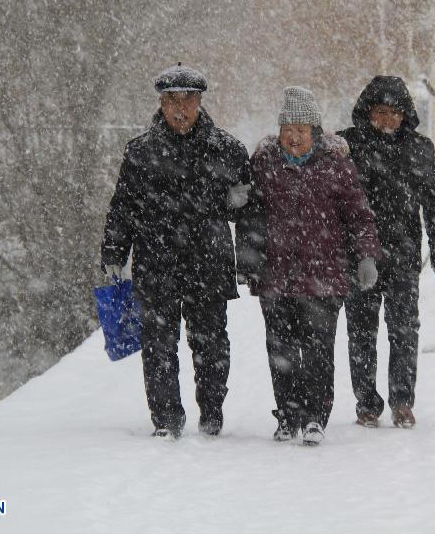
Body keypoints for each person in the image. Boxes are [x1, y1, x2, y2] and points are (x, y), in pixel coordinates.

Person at [100, 65, 251, 440]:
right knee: (158, 346)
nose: (179, 108)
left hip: (209, 261)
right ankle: (166, 418)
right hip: (157, 262)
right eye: (171, 100)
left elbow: (250, 213)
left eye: (187, 100)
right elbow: (124, 207)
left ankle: (212, 410)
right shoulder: (141, 152)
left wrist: (245, 237)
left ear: (200, 101)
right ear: (161, 104)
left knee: (211, 343)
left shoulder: (228, 149)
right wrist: (114, 253)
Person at [236, 86, 381, 446]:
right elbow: (250, 217)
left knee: (318, 350)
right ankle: (287, 416)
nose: (294, 137)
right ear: (280, 131)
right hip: (276, 276)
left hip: (324, 276)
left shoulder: (336, 164)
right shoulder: (265, 162)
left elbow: (359, 214)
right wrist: (247, 258)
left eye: (301, 130)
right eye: (288, 130)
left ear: (314, 132)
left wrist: (366, 256)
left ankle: (315, 416)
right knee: (281, 350)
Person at [336, 76, 435, 429]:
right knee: (361, 331)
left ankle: (402, 401)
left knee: (404, 329)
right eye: (381, 112)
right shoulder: (347, 144)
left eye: (395, 113)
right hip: (360, 254)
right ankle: (367, 404)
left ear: (406, 115)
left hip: (403, 254)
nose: (388, 120)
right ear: (367, 111)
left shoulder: (420, 148)